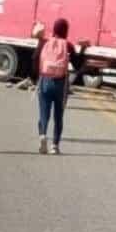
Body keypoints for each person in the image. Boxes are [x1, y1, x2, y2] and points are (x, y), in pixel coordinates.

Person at [31, 18, 88, 154]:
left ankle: (43, 135)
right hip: (61, 84)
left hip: (45, 81)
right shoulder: (68, 45)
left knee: (44, 113)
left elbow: (34, 59)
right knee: (58, 116)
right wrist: (83, 49)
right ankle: (55, 146)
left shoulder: (45, 42)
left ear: (54, 29)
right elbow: (78, 65)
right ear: (66, 30)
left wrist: (35, 79)